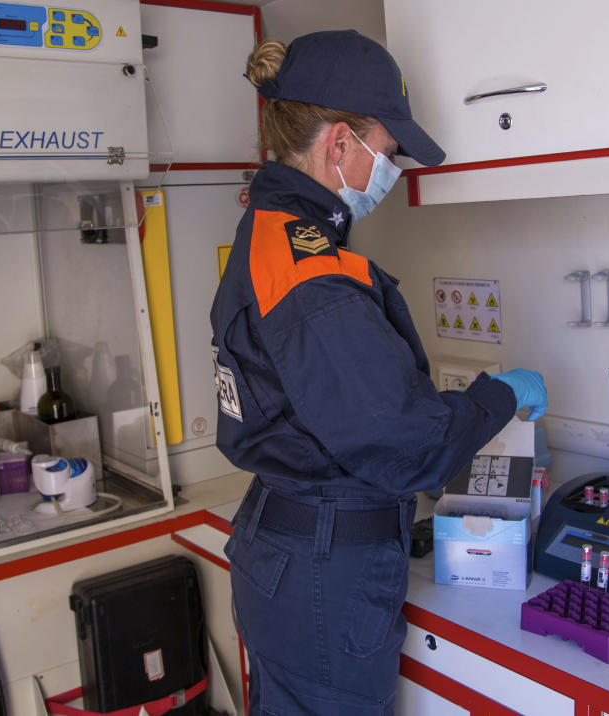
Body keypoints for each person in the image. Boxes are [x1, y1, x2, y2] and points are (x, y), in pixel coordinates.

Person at [210, 30, 548, 715]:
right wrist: (500, 394)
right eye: (387, 155)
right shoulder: (313, 276)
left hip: (285, 547)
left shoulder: (274, 229)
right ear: (339, 144)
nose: (390, 175)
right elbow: (410, 446)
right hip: (322, 571)